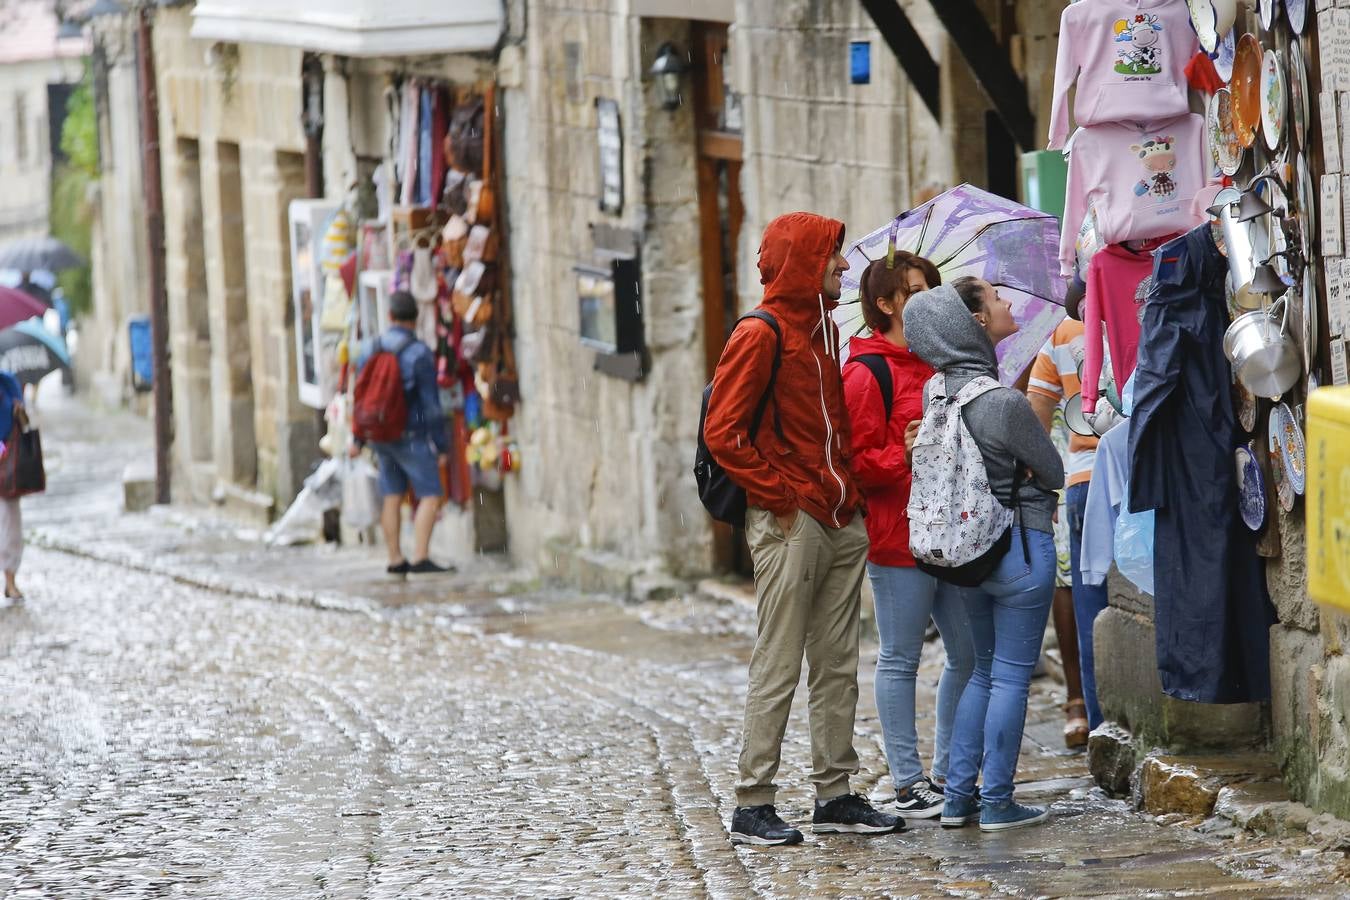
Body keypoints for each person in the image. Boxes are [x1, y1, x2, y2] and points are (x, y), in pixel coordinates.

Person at [704, 212, 901, 846]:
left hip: (837, 515)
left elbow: (833, 424)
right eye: (832, 258)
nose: (844, 267)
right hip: (793, 520)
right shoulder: (758, 335)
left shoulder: (822, 331)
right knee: (780, 659)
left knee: (838, 660)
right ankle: (752, 800)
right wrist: (782, 497)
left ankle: (834, 793)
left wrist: (844, 487)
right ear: (801, 264)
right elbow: (724, 433)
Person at [902, 278, 1065, 832]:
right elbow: (1054, 471)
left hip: (965, 559)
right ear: (972, 322)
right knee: (1013, 677)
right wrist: (1024, 469)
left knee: (980, 673)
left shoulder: (934, 396)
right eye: (996, 299)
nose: (1006, 304)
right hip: (1019, 548)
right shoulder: (1002, 402)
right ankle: (997, 800)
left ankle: (957, 799)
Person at [842, 253, 975, 819]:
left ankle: (946, 772)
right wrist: (903, 451)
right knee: (899, 658)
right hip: (898, 537)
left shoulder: (939, 365)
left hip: (952, 532)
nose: (925, 301)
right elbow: (855, 462)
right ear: (885, 303)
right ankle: (905, 780)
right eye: (914, 291)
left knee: (968, 654)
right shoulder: (864, 372)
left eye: (930, 290)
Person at [1027, 319, 1109, 738]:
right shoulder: (1056, 328)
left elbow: (1036, 405)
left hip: (1079, 465)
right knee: (1070, 579)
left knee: (1085, 589)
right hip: (1072, 466)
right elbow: (1036, 404)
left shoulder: (1062, 328)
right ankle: (1079, 698)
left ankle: (1094, 715)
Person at [351, 290, 454, 577]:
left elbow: (361, 395)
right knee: (431, 494)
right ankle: (420, 556)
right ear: (415, 318)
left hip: (380, 434)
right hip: (411, 434)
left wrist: (358, 437)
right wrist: (441, 444)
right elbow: (431, 406)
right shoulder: (419, 353)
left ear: (390, 316)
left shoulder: (372, 347)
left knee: (392, 495)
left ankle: (395, 558)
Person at [0, 371, 25, 600]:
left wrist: (19, 409)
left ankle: (10, 580)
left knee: (10, 523)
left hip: (7, 464)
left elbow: (24, 421)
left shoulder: (7, 382)